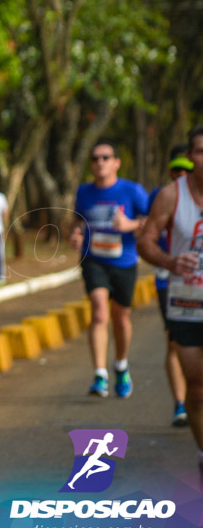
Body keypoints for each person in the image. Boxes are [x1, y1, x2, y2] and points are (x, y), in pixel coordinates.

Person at [139, 126, 203, 467]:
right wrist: (169, 260)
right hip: (187, 298)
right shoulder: (171, 195)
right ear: (191, 157)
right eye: (201, 151)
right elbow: (145, 240)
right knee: (196, 386)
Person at [70, 140, 149, 399]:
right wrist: (76, 235)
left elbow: (152, 221)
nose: (100, 162)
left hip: (124, 260)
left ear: (116, 162)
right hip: (93, 259)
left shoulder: (132, 190)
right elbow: (78, 221)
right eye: (95, 158)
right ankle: (100, 374)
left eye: (105, 157)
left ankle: (121, 366)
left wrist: (131, 225)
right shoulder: (84, 192)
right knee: (99, 312)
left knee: (121, 317)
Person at [149, 146, 193, 426]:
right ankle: (181, 404)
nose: (181, 174)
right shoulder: (163, 196)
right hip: (171, 282)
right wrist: (167, 261)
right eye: (175, 169)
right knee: (174, 343)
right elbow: (146, 233)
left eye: (185, 169)